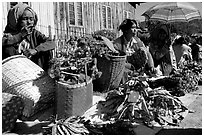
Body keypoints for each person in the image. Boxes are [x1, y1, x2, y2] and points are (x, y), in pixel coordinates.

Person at [2, 3, 55, 72]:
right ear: (17, 20)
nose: (29, 22)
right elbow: (4, 43)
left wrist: (35, 50)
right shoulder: (10, 34)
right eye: (25, 19)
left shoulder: (34, 33)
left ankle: (42, 75)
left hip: (33, 68)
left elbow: (51, 43)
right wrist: (21, 35)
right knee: (8, 48)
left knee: (46, 50)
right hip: (15, 71)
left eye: (31, 19)